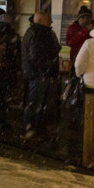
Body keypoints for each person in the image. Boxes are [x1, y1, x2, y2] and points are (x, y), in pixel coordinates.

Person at [22, 11, 61, 139]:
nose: (51, 21)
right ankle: (35, 131)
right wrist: (46, 69)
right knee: (37, 103)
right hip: (39, 75)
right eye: (48, 19)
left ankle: (34, 131)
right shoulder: (39, 33)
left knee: (36, 103)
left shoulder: (36, 32)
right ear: (40, 20)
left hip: (37, 74)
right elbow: (36, 57)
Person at [67, 6, 93, 71]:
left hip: (90, 60)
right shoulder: (72, 28)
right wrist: (85, 31)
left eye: (88, 18)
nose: (86, 20)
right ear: (79, 19)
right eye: (83, 18)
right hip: (76, 59)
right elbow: (70, 42)